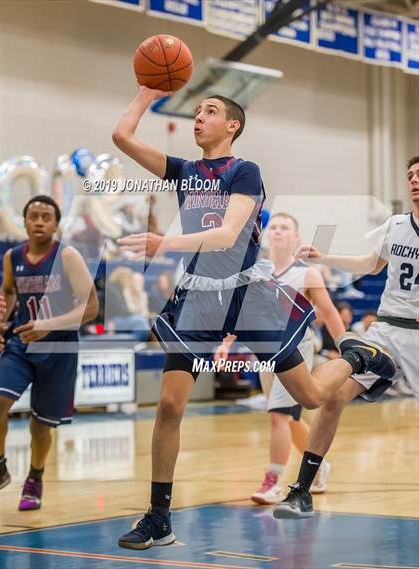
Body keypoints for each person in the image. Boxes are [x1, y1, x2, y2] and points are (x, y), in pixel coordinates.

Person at [112, 85, 396, 550]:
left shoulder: (244, 171)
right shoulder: (184, 171)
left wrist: (165, 242)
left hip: (247, 293)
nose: (198, 117)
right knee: (169, 405)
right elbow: (122, 136)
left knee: (309, 397)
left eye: (209, 111)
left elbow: (227, 235)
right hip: (199, 298)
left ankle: (358, 357)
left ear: (232, 126)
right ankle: (159, 517)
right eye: (196, 111)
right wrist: (147, 91)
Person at [273, 156, 419, 519]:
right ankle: (302, 490)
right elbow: (370, 265)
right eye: (410, 175)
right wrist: (325, 257)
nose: (414, 180)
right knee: (335, 396)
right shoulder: (396, 225)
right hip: (387, 329)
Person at [0, 196, 98, 509]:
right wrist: (0, 324)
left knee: (40, 425)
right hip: (22, 343)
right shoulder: (12, 257)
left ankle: (35, 476)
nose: (39, 222)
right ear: (25, 222)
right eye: (34, 216)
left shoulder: (67, 256)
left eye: (46, 217)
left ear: (56, 225)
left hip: (58, 349)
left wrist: (48, 325)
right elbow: (9, 292)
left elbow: (91, 308)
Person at [250, 212, 346, 504]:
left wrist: (347, 347)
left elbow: (329, 312)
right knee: (290, 419)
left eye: (285, 228)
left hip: (296, 352)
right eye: (274, 227)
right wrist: (226, 342)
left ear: (296, 237)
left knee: (278, 415)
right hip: (266, 354)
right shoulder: (257, 273)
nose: (278, 231)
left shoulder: (308, 274)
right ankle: (318, 466)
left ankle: (273, 481)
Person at [106, 267, 150, 342]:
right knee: (139, 321)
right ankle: (134, 344)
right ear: (124, 279)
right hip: (110, 321)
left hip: (116, 318)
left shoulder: (117, 288)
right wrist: (135, 313)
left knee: (143, 320)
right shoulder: (112, 290)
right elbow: (120, 310)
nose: (131, 282)